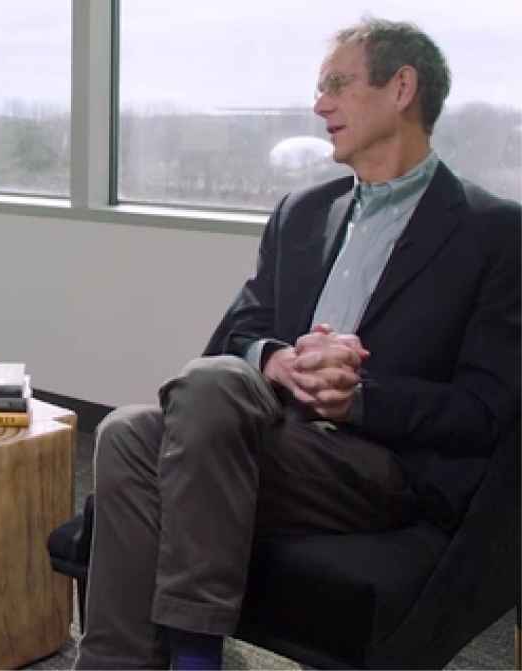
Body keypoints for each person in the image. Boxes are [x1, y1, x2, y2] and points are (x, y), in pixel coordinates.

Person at [75, 17, 519, 670]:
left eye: (337, 84)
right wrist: (279, 360)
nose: (319, 105)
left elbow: (486, 410)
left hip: (381, 466)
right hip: (270, 432)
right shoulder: (303, 213)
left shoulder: (495, 235)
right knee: (129, 431)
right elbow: (235, 335)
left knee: (185, 405)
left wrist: (358, 399)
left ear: (401, 88)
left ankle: (196, 658)